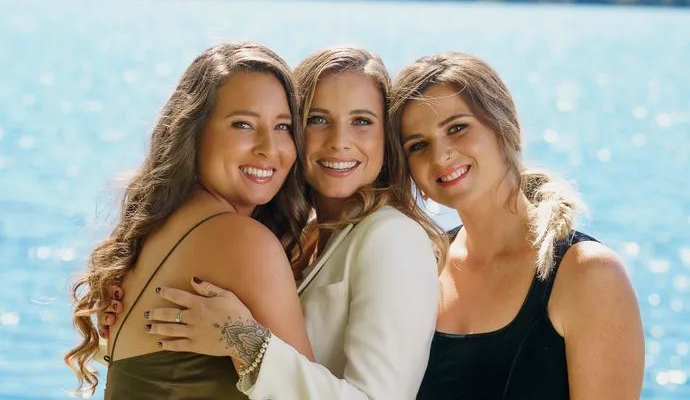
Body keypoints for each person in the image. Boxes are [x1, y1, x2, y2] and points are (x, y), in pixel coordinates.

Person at [99, 46, 446, 400]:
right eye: (317, 119)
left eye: (361, 121)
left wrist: (245, 341)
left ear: (386, 138)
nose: (339, 141)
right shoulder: (295, 239)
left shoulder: (392, 236)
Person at [389, 52, 645, 400]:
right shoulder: (423, 267)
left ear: (503, 125)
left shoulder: (588, 274)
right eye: (418, 145)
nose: (440, 155)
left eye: (457, 128)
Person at [65, 42, 314, 399]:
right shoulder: (242, 240)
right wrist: (246, 341)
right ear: (193, 132)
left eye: (283, 126)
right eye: (243, 124)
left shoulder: (159, 229)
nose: (269, 148)